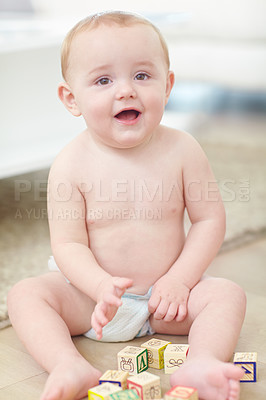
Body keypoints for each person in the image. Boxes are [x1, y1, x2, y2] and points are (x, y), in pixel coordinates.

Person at [7, 11, 246, 400]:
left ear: (167, 86)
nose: (126, 91)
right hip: (92, 299)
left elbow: (208, 220)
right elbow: (68, 246)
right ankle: (68, 364)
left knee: (227, 295)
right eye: (103, 80)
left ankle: (201, 362)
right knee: (26, 296)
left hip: (165, 299)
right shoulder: (69, 165)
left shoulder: (184, 150)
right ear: (72, 99)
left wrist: (180, 280)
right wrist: (99, 286)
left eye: (141, 76)